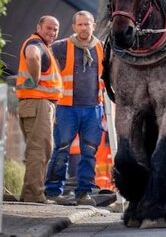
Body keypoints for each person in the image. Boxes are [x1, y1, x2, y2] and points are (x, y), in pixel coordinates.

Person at [44, 11, 106, 206]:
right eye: (80, 25)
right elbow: (44, 62)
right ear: (74, 27)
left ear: (93, 26)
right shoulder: (60, 47)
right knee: (61, 149)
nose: (83, 28)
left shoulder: (101, 48)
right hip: (66, 108)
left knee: (89, 152)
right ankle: (53, 192)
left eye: (87, 24)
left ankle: (84, 193)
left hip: (93, 108)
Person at [15, 15, 63, 204]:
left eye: (55, 29)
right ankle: (34, 195)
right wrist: (34, 80)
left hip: (39, 104)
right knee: (39, 150)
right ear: (39, 27)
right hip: (38, 104)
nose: (52, 32)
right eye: (48, 28)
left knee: (40, 150)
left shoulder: (44, 46)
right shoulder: (35, 43)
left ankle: (30, 192)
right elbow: (33, 55)